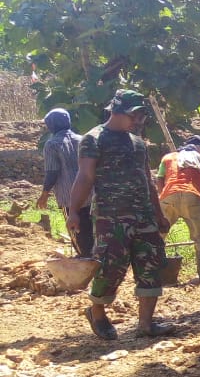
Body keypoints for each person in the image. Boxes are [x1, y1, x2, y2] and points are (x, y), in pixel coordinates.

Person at [64, 90, 175, 339]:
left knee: (151, 263)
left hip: (143, 215)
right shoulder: (93, 139)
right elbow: (85, 177)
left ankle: (146, 323)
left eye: (141, 116)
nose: (137, 121)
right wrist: (73, 212)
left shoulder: (137, 142)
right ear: (116, 111)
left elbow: (146, 180)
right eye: (133, 115)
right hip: (111, 217)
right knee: (111, 266)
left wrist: (158, 214)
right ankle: (97, 312)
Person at [156, 135, 200, 281]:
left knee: (158, 235)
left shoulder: (168, 158)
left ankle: (154, 274)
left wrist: (162, 198)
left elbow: (159, 179)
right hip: (191, 197)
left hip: (168, 197)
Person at [36, 108, 93, 257]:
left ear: (51, 126)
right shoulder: (83, 139)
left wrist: (44, 194)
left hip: (69, 198)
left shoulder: (52, 145)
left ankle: (85, 261)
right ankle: (96, 258)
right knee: (93, 228)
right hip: (91, 193)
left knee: (77, 231)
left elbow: (52, 173)